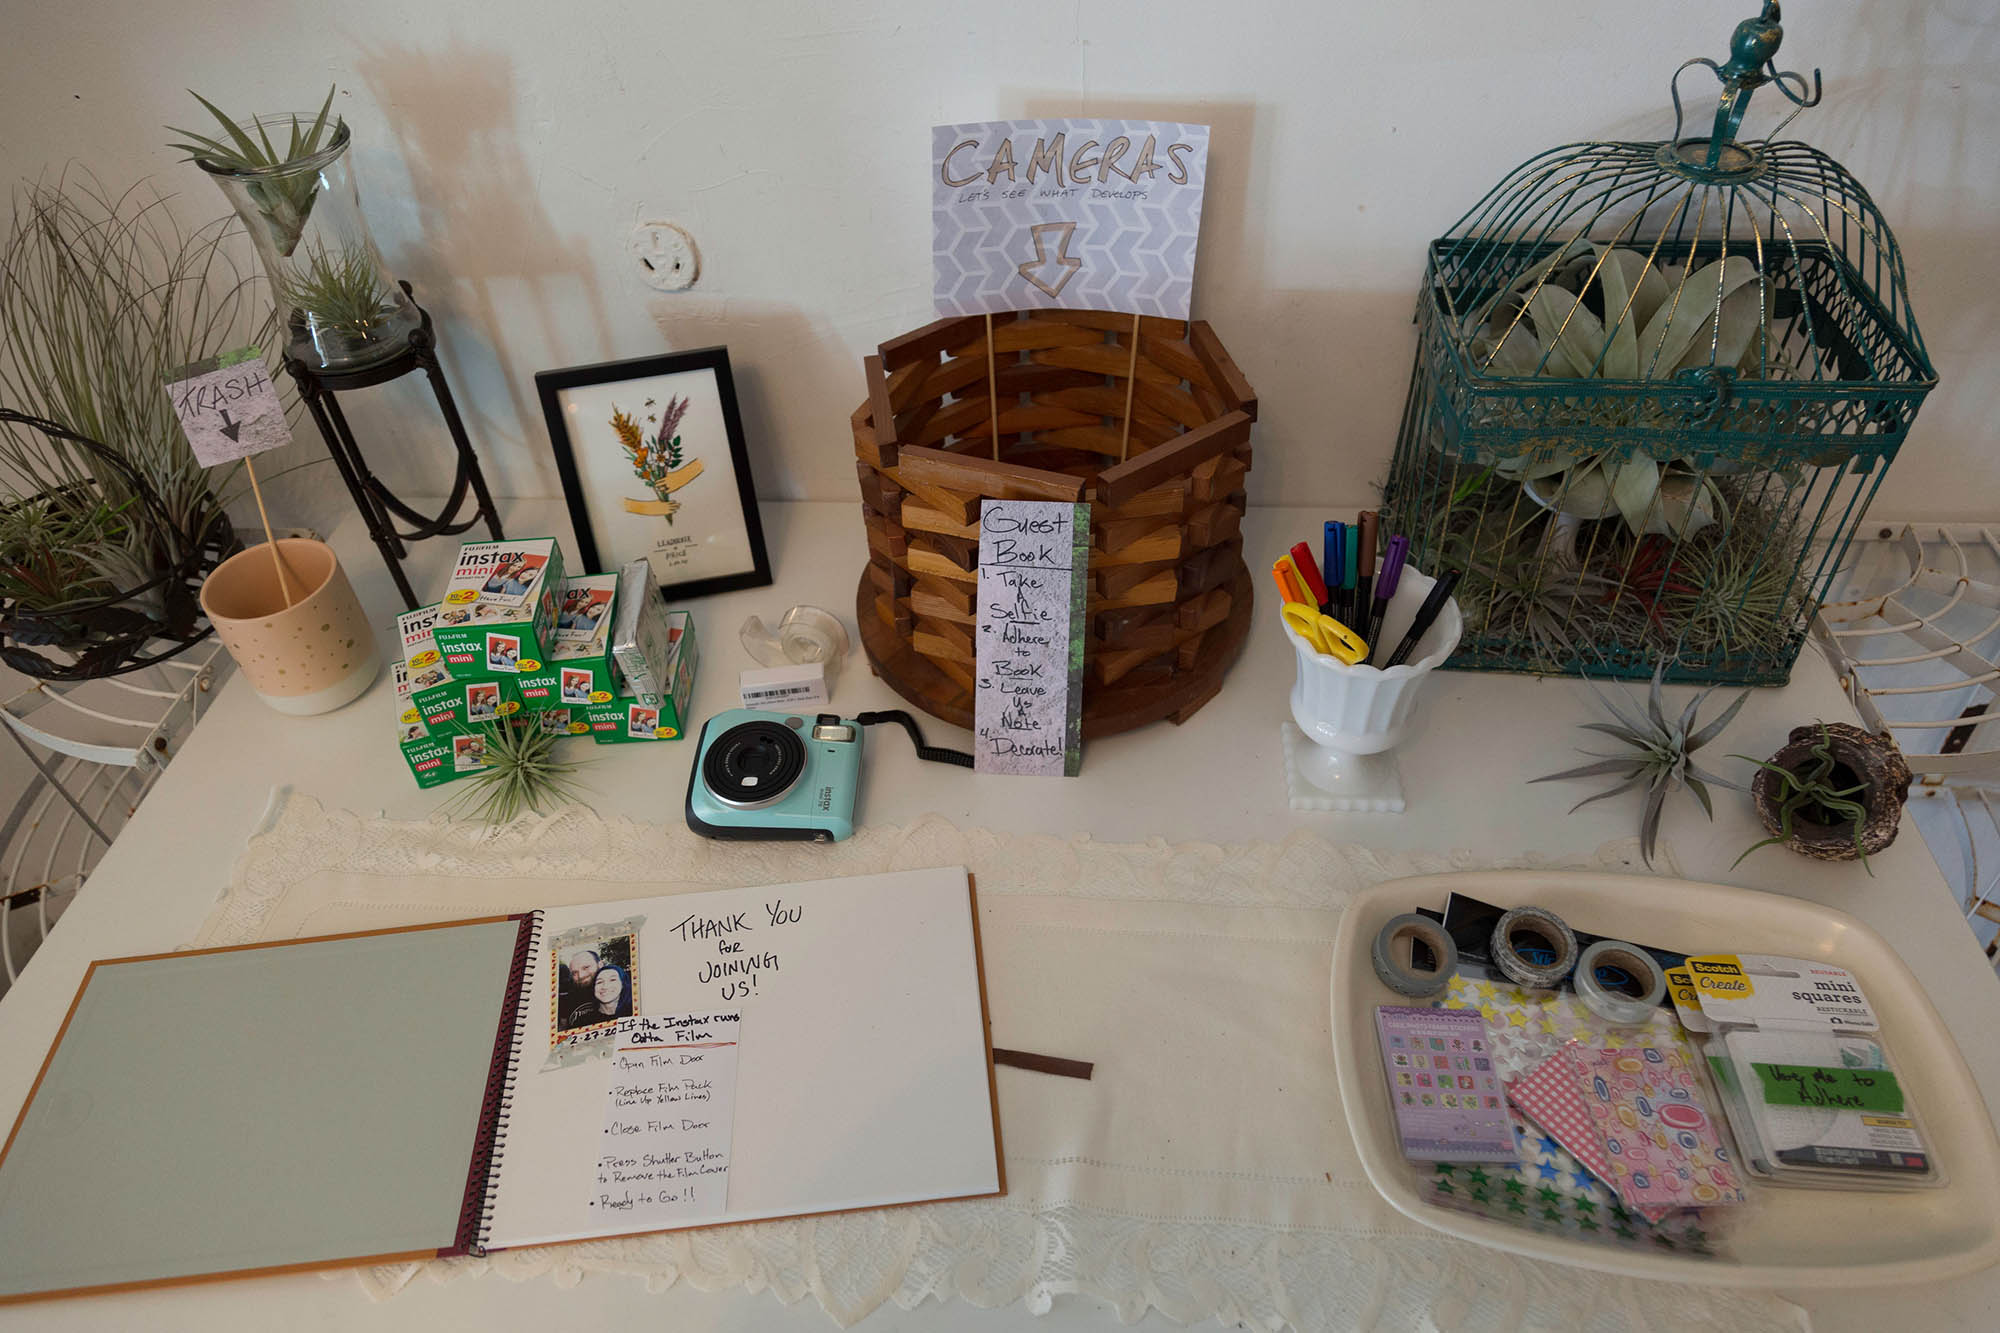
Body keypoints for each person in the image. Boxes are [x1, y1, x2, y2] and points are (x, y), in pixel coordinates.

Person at [565, 963, 632, 1030]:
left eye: (612, 980)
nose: (605, 986)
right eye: (599, 982)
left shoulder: (634, 1014)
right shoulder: (582, 1022)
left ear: (623, 984)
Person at [557, 948, 600, 1025]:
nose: (581, 976)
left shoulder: (621, 992)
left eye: (586, 967)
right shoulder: (568, 1000)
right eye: (574, 973)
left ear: (600, 965)